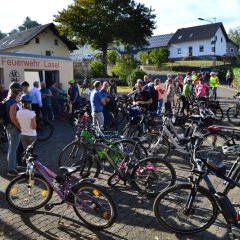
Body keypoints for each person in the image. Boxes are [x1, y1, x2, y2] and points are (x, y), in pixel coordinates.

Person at [5, 82, 23, 176]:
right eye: (20, 91)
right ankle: (11, 170)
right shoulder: (13, 102)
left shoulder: (8, 100)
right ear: (17, 91)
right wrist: (20, 127)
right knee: (13, 149)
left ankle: (12, 166)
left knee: (11, 148)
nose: (21, 93)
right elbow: (13, 117)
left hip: (9, 127)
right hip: (14, 128)